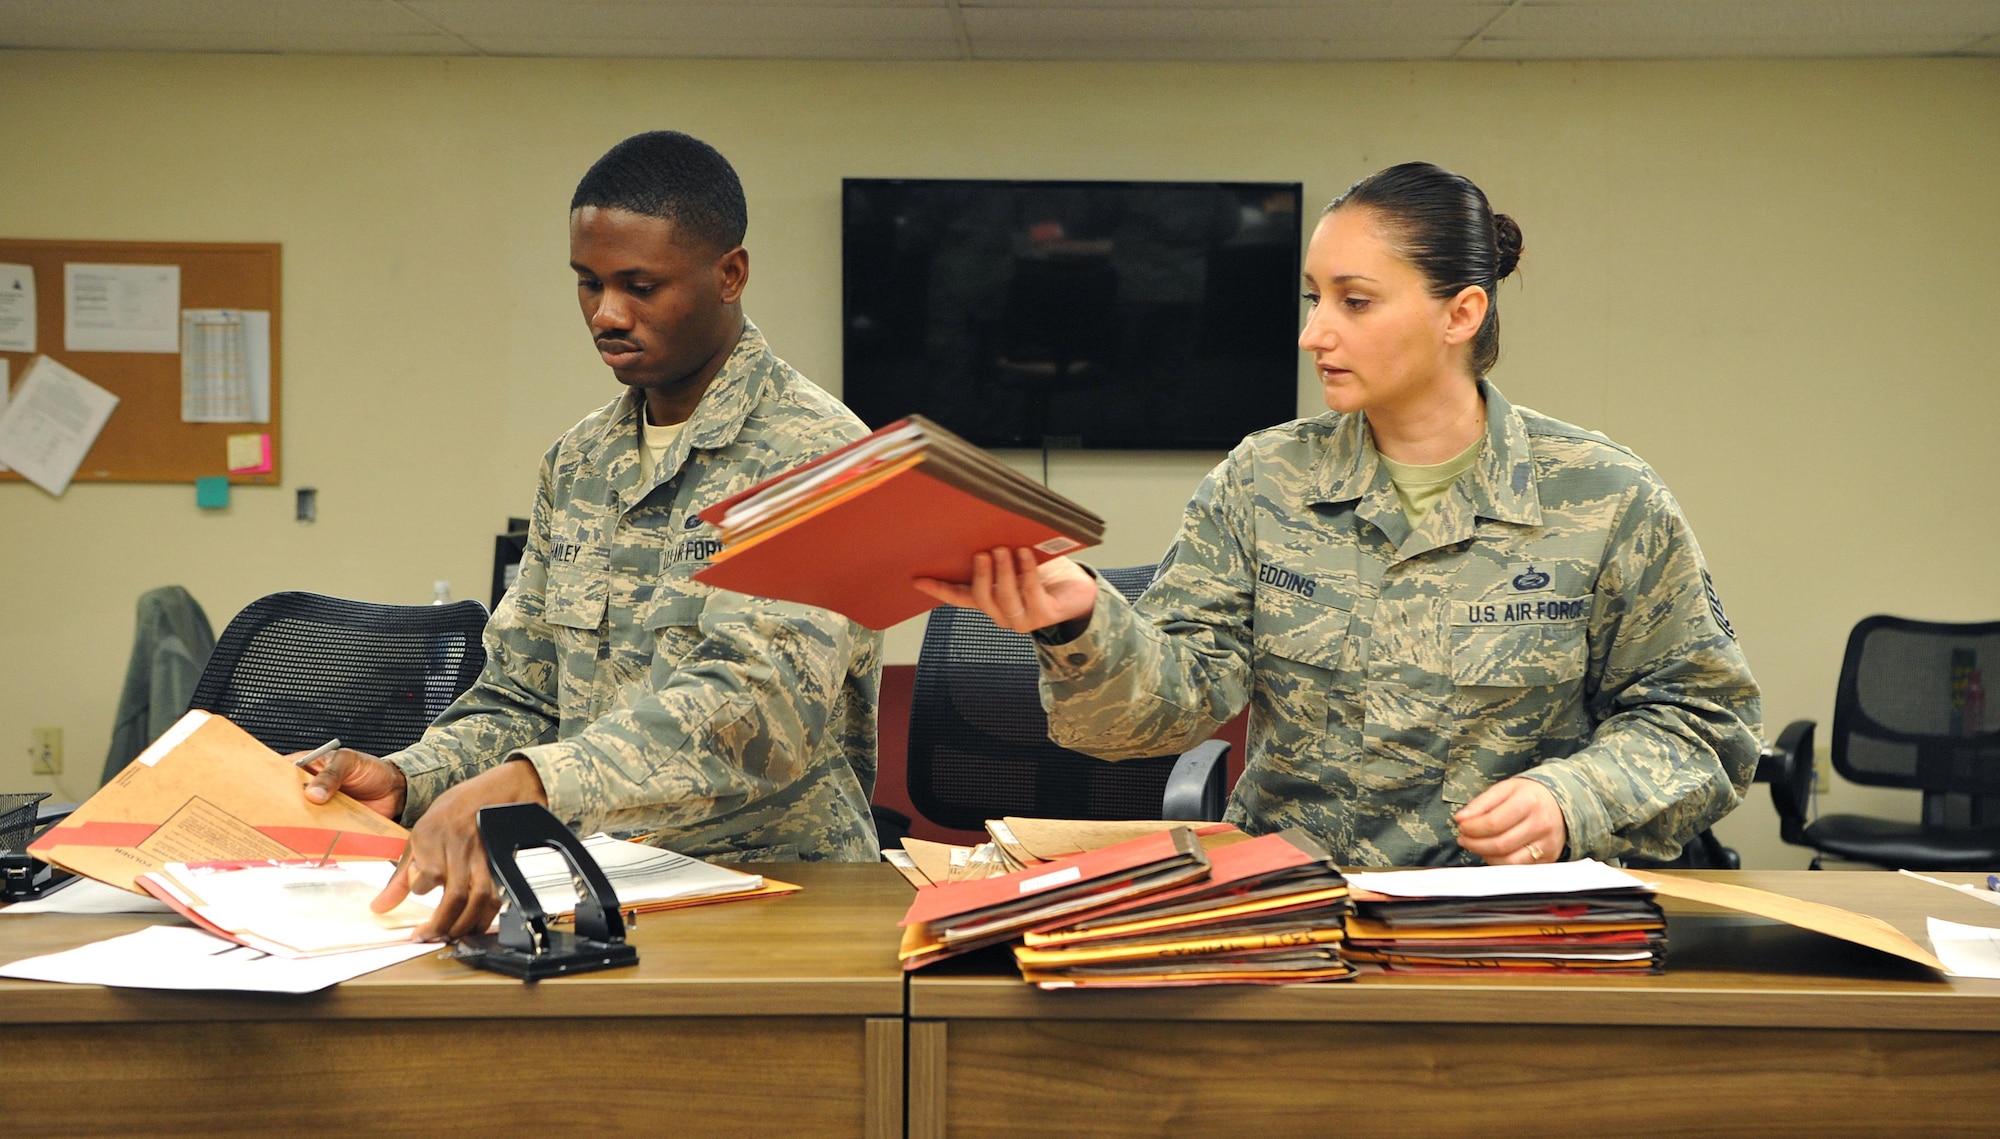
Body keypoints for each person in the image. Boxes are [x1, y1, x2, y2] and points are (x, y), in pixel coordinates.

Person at [917, 161, 1761, 868]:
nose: (1313, 332)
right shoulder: (1264, 480)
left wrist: (1571, 795)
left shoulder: (1605, 496)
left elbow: (1705, 723)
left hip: (1501, 927)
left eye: (1354, 302)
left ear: (1460, 313)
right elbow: (1158, 711)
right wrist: (1079, 622)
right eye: (1312, 297)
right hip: (1294, 916)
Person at [303, 131, 882, 939]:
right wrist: (409, 776)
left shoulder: (816, 454)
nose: (607, 314)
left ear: (730, 274)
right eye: (589, 283)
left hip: (779, 899)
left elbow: (758, 713)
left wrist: (528, 784)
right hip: (596, 888)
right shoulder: (578, 463)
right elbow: (524, 695)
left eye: (640, 285)